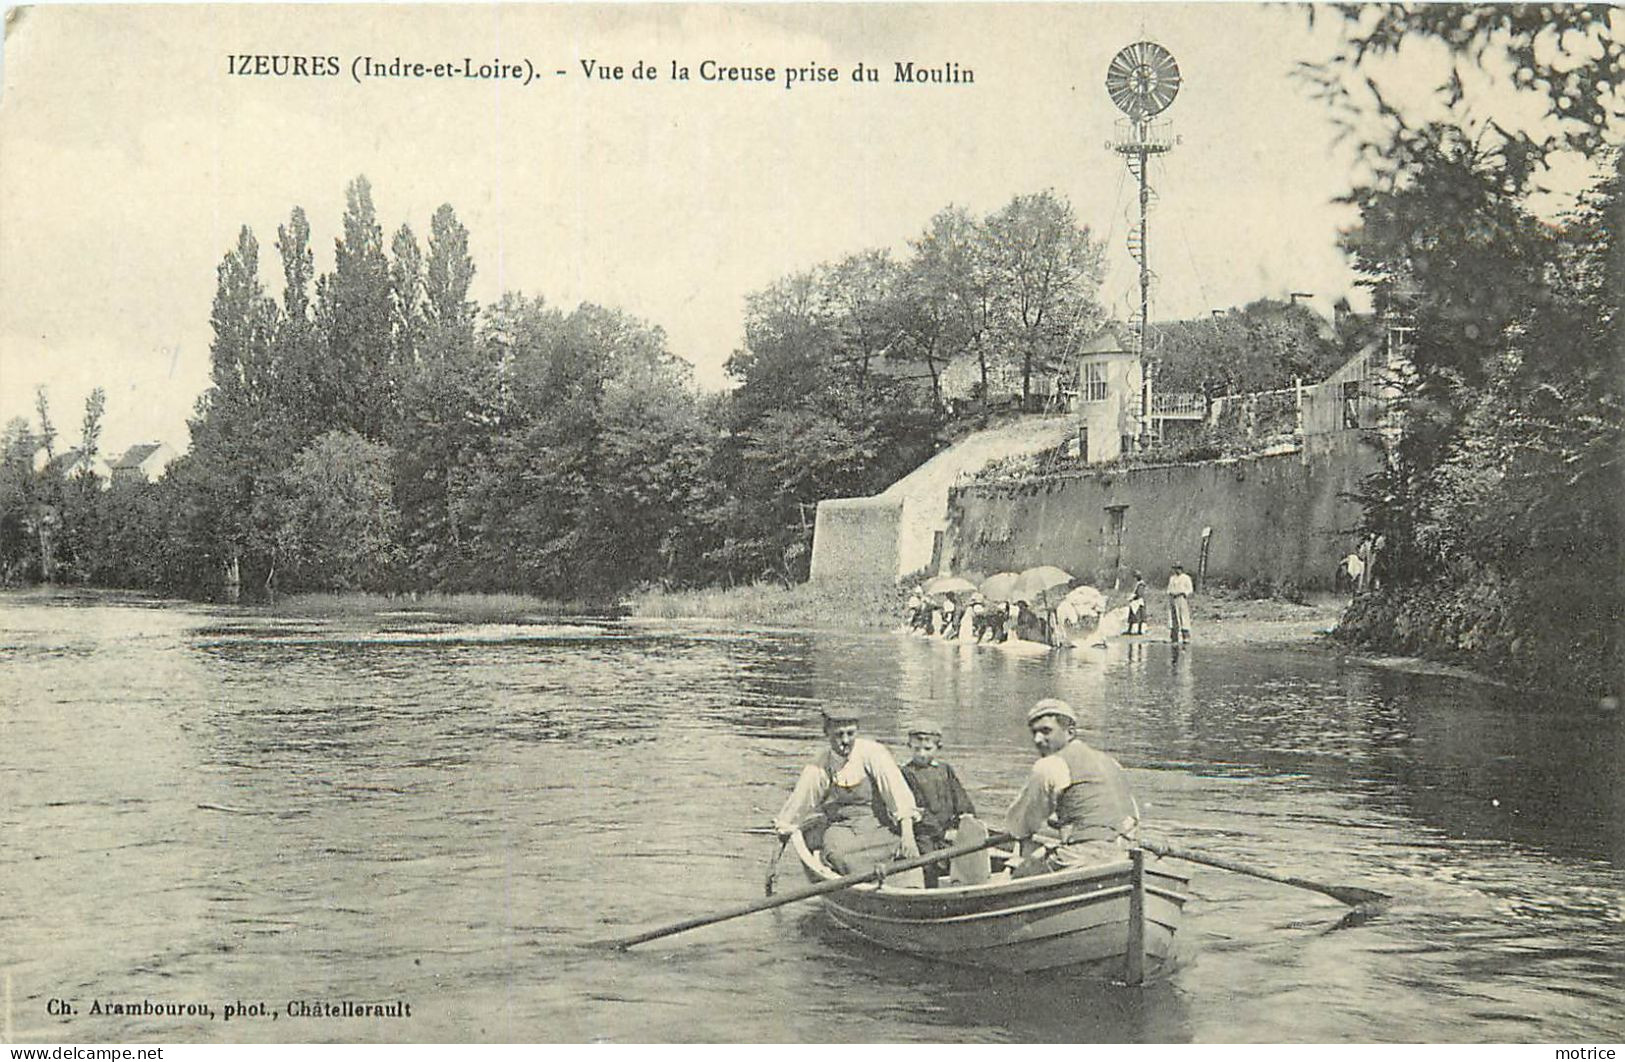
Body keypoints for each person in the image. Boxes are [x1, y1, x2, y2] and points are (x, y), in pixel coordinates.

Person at [773, 706, 921, 874]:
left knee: (900, 847)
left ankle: (889, 876)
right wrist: (775, 859)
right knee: (837, 854)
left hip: (876, 826)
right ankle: (864, 877)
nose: (845, 740)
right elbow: (798, 805)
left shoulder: (873, 753)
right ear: (826, 733)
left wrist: (908, 836)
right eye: (838, 735)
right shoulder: (820, 764)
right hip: (841, 829)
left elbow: (897, 793)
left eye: (850, 734)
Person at [1004, 699, 1140, 878]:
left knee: (1017, 875)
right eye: (1034, 732)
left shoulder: (1050, 765)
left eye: (1046, 731)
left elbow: (1020, 826)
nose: (1037, 739)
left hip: (1084, 858)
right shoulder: (1111, 763)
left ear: (1070, 732)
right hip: (1128, 855)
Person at [898, 718, 977, 886]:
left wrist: (965, 818)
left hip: (949, 827)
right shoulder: (907, 773)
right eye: (916, 749)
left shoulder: (945, 769)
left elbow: (960, 796)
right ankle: (931, 890)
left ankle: (957, 884)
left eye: (928, 749)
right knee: (928, 863)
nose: (922, 754)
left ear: (938, 747)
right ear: (909, 747)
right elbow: (916, 808)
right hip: (924, 831)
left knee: (961, 857)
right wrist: (941, 833)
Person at [1166, 563, 1194, 643]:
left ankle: (1186, 636)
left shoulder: (1186, 578)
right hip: (1173, 598)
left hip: (1181, 597)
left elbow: (1190, 589)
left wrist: (1184, 593)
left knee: (1183, 616)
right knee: (1173, 617)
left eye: (1178, 568)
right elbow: (1169, 589)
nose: (1177, 570)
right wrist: (1170, 594)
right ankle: (1174, 636)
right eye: (1175, 569)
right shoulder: (1172, 578)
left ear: (1181, 569)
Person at [1124, 571, 1148, 635]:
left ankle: (1139, 630)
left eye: (1136, 577)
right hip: (1135, 601)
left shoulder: (1141, 584)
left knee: (1139, 616)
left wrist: (1132, 597)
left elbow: (1139, 594)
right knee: (1132, 616)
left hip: (1139, 601)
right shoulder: (1137, 584)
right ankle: (1129, 629)